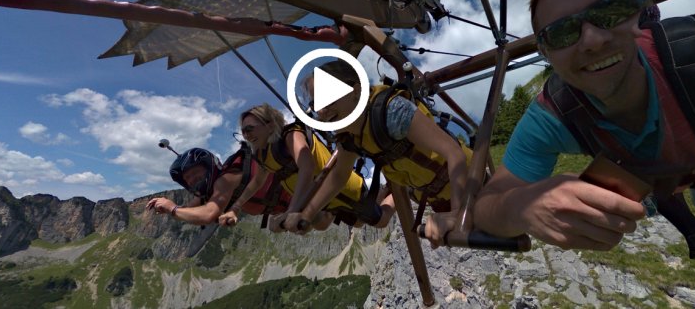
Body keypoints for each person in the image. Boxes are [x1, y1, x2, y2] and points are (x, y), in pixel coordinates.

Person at [473, 0, 695, 253]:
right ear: (547, 54)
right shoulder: (553, 113)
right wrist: (522, 205)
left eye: (611, 11)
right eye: (561, 33)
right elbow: (486, 206)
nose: (592, 40)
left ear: (646, 10)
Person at [296, 61, 471, 247]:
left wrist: (458, 213)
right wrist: (306, 215)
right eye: (316, 104)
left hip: (469, 183)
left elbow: (453, 152)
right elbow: (339, 176)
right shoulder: (350, 137)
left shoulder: (392, 112)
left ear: (356, 91)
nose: (322, 110)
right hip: (435, 197)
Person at [218, 104, 395, 233]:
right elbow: (257, 182)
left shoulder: (291, 135)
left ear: (270, 125)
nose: (247, 135)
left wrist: (292, 210)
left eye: (250, 129)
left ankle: (396, 191)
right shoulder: (263, 154)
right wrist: (235, 207)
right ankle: (383, 191)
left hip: (344, 187)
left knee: (380, 221)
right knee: (309, 225)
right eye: (244, 132)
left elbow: (307, 167)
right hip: (324, 200)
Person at [146, 144, 293, 226]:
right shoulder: (210, 191)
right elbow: (188, 210)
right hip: (283, 208)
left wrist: (172, 208)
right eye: (187, 179)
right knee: (275, 227)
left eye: (194, 173)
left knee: (278, 227)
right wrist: (168, 207)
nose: (191, 180)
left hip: (296, 199)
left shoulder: (225, 181)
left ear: (208, 166)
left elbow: (208, 215)